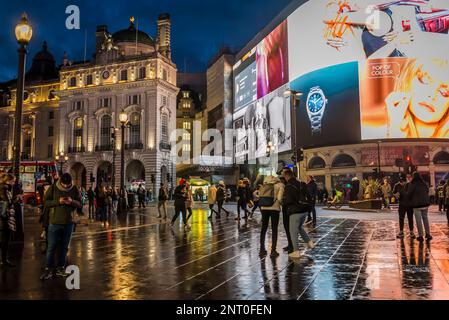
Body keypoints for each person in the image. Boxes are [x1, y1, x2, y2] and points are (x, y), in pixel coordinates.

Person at [40, 173, 81, 280]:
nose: (66, 186)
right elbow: (46, 202)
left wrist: (72, 202)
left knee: (64, 247)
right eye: (64, 184)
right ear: (60, 182)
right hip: (54, 222)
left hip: (69, 222)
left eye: (68, 185)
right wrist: (58, 201)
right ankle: (48, 269)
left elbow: (80, 203)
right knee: (51, 247)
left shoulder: (74, 189)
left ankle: (60, 268)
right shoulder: (53, 187)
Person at [283, 169, 315, 259]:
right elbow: (308, 196)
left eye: (284, 176)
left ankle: (296, 251)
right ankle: (310, 243)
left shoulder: (289, 185)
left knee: (293, 232)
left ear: (287, 176)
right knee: (300, 228)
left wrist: (284, 202)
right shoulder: (301, 183)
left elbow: (289, 200)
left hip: (295, 211)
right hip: (304, 210)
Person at [259, 176, 284, 258]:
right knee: (274, 229)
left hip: (264, 207)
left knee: (263, 228)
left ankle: (262, 249)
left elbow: (258, 195)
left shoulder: (264, 185)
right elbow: (280, 199)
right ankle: (273, 250)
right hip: (275, 208)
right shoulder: (280, 185)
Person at [408, 172, 432, 243]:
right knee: (425, 219)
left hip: (417, 205)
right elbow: (427, 191)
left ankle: (420, 235)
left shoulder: (412, 184)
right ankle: (428, 234)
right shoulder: (424, 183)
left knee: (418, 220)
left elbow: (409, 193)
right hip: (425, 204)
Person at [0, 174, 16, 268]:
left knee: (4, 239)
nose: (14, 183)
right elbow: (7, 202)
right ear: (8, 180)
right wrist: (15, 199)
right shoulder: (4, 189)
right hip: (4, 218)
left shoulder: (5, 188)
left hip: (5, 217)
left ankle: (4, 260)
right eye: (13, 181)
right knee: (5, 239)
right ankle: (3, 260)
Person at [279, 177, 293, 253]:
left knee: (289, 228)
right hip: (286, 209)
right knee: (287, 229)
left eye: (281, 181)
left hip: (287, 209)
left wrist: (282, 202)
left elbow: (282, 199)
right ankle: (290, 244)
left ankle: (291, 245)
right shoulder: (285, 186)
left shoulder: (286, 187)